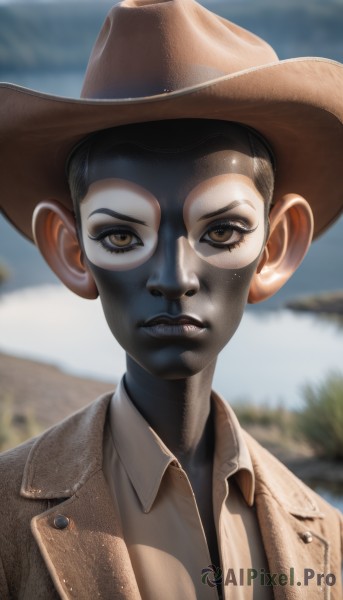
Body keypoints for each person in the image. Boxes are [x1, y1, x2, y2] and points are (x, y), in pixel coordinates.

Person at [0, 1, 342, 598]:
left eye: (223, 232)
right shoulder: (7, 520)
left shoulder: (325, 536)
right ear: (71, 252)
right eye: (121, 236)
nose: (174, 275)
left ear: (278, 246)